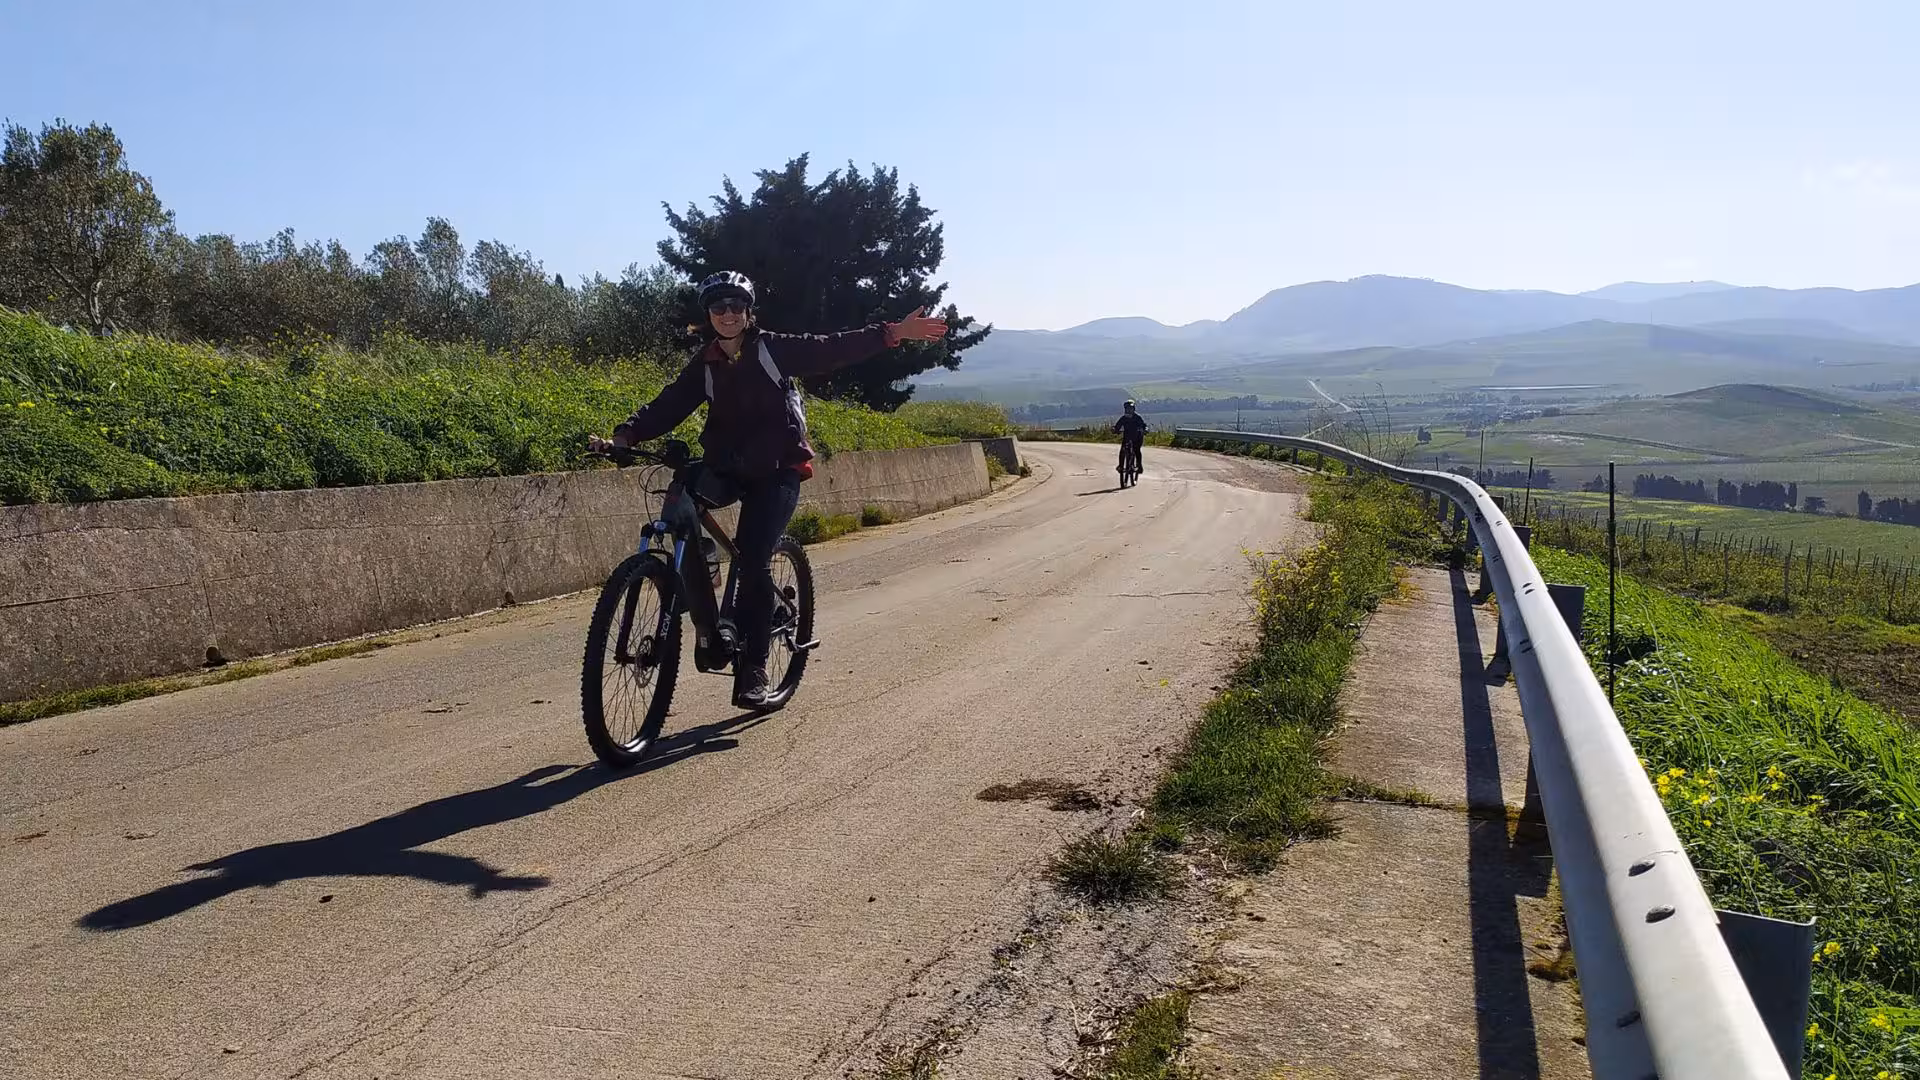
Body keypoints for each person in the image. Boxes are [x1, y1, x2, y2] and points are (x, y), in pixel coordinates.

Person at [589, 271, 948, 708]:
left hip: (779, 470)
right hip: (729, 466)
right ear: (708, 314)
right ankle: (705, 576)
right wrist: (626, 434)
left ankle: (755, 665)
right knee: (681, 496)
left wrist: (892, 333)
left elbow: (830, 349)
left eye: (736, 306)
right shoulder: (706, 364)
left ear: (748, 312)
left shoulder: (771, 350)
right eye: (719, 307)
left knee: (754, 556)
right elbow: (669, 404)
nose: (727, 314)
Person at [1112, 400, 1147, 476]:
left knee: (1137, 450)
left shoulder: (1137, 417)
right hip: (1127, 437)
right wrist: (1115, 430)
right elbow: (1117, 426)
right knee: (1122, 450)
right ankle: (1121, 466)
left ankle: (1139, 466)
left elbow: (1144, 426)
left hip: (1137, 437)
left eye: (1130, 408)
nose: (1129, 410)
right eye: (1127, 409)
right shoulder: (1124, 418)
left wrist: (1145, 430)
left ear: (1133, 409)